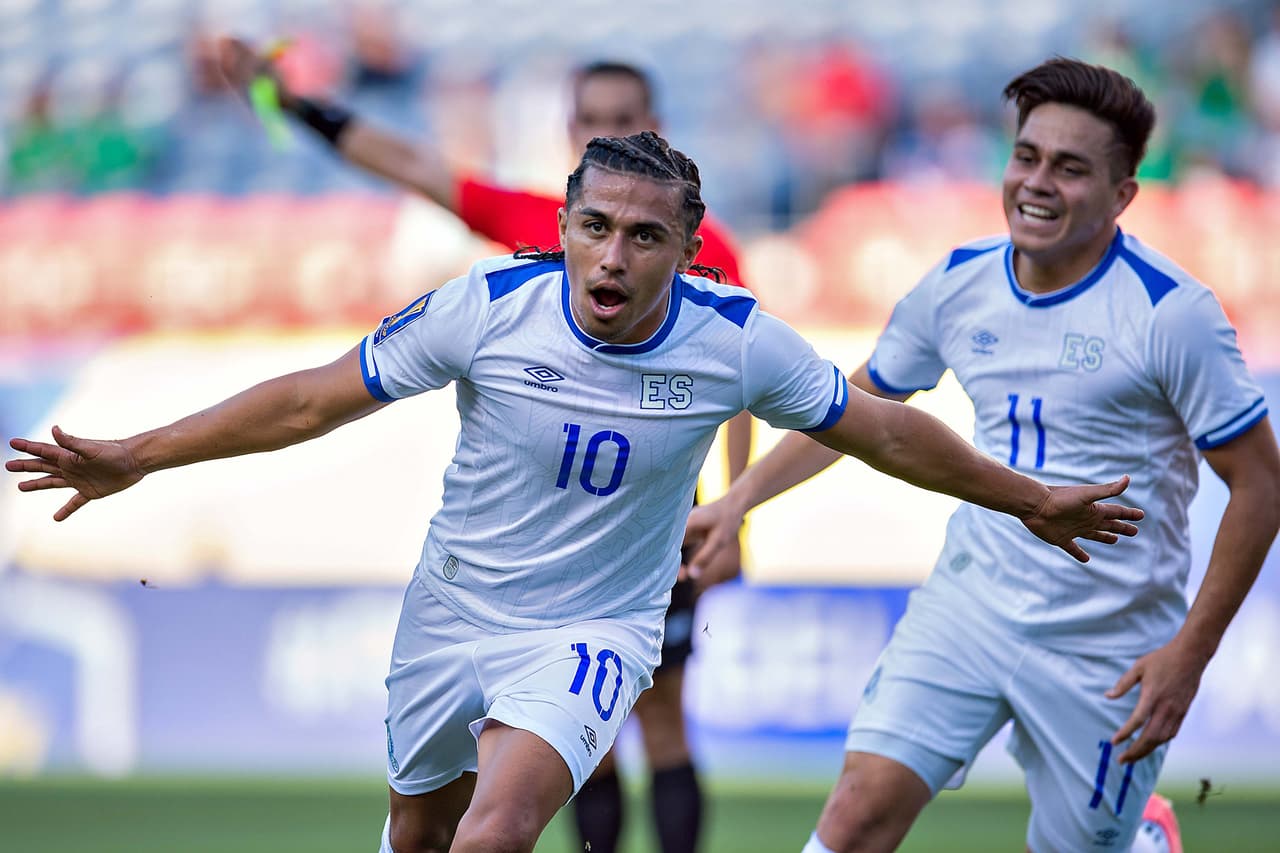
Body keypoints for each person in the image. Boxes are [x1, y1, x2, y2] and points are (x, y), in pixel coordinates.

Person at [8, 130, 1144, 853]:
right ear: (560, 229)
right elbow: (313, 399)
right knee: (420, 832)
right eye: (593, 228)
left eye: (643, 237)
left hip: (593, 630)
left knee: (497, 835)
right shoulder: (487, 307)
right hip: (450, 610)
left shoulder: (733, 339)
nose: (611, 258)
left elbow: (884, 428)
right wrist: (139, 454)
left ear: (688, 249)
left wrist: (1024, 498)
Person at [682, 58, 1280, 853]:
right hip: (970, 605)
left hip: (1107, 642)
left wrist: (1188, 655)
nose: (1036, 182)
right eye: (1026, 156)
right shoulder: (960, 283)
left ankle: (1140, 834)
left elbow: (1261, 485)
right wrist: (740, 497)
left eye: (1070, 168)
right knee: (857, 812)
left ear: (1123, 194)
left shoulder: (1173, 315)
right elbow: (860, 410)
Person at [214, 39, 747, 852]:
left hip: (651, 519)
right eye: (591, 119)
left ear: (656, 126)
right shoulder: (542, 220)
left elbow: (743, 380)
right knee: (578, 754)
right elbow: (409, 164)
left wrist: (736, 512)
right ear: (572, 129)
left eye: (622, 117)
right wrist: (294, 103)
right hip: (533, 518)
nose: (605, 129)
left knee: (663, 720)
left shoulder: (689, 247)